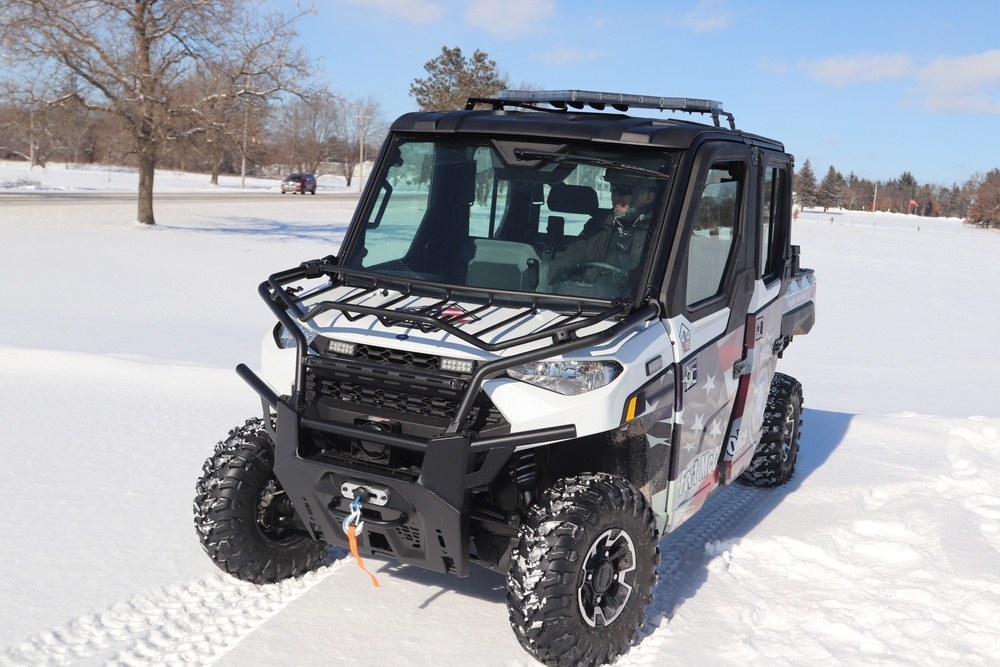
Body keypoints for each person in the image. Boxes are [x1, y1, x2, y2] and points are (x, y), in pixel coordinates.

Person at [548, 171, 659, 291]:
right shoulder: (598, 225)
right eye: (613, 189)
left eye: (623, 191)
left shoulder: (660, 232)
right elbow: (571, 255)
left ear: (648, 197)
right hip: (589, 299)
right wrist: (559, 272)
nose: (615, 197)